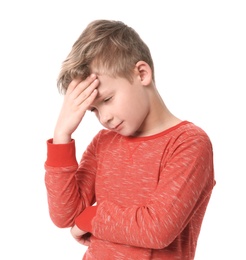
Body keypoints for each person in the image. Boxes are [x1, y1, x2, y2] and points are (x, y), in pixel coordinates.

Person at [44, 19, 216, 260]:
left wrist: (92, 217)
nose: (104, 117)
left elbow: (158, 229)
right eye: (93, 110)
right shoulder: (103, 143)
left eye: (107, 99)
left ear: (142, 74)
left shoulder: (188, 143)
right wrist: (62, 136)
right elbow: (65, 215)